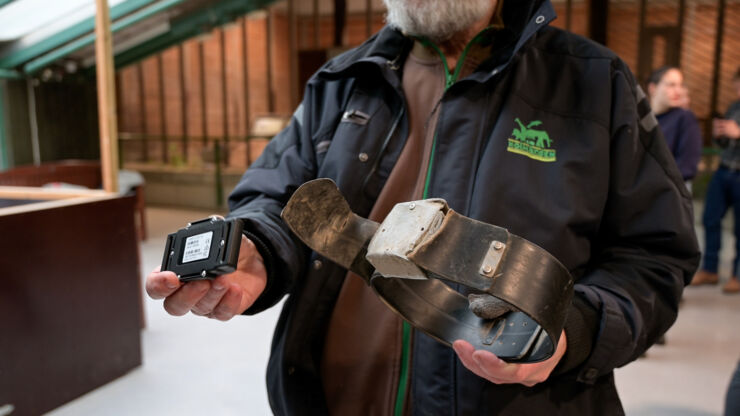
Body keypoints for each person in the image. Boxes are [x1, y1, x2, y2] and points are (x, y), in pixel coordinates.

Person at [146, 0, 700, 414]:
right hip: (335, 399)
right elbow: (276, 197)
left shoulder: (594, 83)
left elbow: (655, 259)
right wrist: (259, 249)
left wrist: (573, 330)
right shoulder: (342, 82)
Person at [691, 67, 740, 294]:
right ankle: (710, 269)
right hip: (723, 171)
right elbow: (724, 144)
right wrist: (719, 135)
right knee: (710, 219)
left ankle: (737, 275)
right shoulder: (733, 108)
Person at [647, 66, 702, 192]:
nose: (678, 91)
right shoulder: (641, 118)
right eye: (671, 85)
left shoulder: (685, 118)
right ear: (653, 88)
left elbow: (687, 166)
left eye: (680, 85)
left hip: (669, 193)